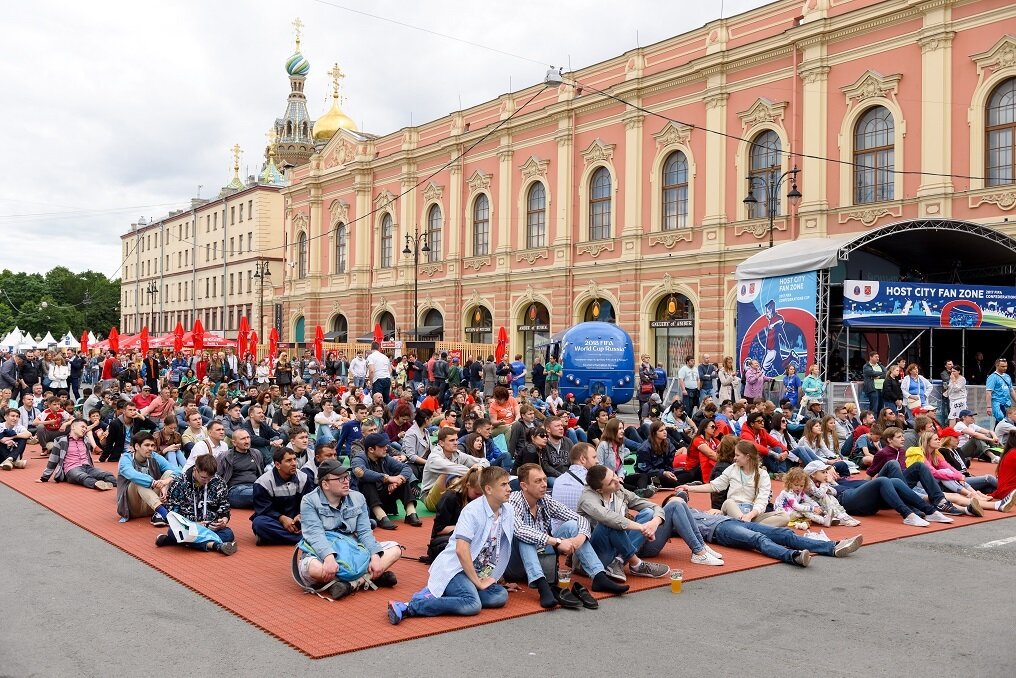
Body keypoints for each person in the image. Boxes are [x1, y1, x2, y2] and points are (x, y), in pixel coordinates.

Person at [388, 466, 517, 624]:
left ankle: (443, 594)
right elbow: (461, 551)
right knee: (472, 605)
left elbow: (499, 547)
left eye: (508, 484)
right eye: (504, 485)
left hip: (478, 572)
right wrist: (478, 582)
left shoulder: (508, 510)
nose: (509, 489)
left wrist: (494, 578)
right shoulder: (472, 512)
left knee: (500, 596)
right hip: (457, 569)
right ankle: (410, 606)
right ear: (489, 489)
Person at [505, 464, 628, 608]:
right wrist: (557, 542)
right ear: (524, 486)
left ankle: (599, 576)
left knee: (572, 526)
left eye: (544, 480)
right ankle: (542, 587)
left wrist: (579, 538)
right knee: (525, 537)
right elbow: (519, 530)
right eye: (538, 481)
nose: (544, 484)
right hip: (515, 565)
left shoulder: (545, 500)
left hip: (543, 555)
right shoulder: (514, 500)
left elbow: (579, 518)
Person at [295, 459, 402, 600]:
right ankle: (370, 577)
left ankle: (350, 584)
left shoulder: (358, 497)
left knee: (396, 549)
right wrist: (328, 557)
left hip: (353, 550)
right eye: (340, 479)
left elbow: (365, 532)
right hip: (322, 552)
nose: (346, 481)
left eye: (347, 477)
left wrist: (375, 556)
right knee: (312, 568)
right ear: (325, 484)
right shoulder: (309, 500)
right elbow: (315, 535)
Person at [687, 504, 863, 567]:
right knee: (758, 539)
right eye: (675, 499)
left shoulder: (694, 510)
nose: (681, 501)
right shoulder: (678, 518)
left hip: (734, 521)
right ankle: (792, 557)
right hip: (720, 531)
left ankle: (832, 547)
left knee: (784, 533)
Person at [679, 440, 788, 526]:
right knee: (729, 502)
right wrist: (689, 488)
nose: (734, 458)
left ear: (748, 457)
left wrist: (750, 515)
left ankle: (747, 527)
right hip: (732, 509)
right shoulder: (732, 469)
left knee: (784, 517)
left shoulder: (763, 474)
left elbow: (762, 500)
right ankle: (751, 527)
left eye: (737, 455)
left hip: (751, 513)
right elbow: (714, 486)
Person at [156, 454, 238, 555]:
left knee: (228, 534)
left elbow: (224, 508)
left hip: (211, 527)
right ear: (195, 469)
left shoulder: (219, 482)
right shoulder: (179, 483)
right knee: (174, 531)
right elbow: (173, 513)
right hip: (188, 527)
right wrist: (193, 524)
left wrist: (223, 521)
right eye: (204, 478)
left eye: (210, 478)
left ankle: (176, 541)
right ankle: (214, 545)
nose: (207, 481)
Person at [350, 432, 422, 528]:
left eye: (386, 445)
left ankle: (411, 513)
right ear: (371, 449)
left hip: (384, 497)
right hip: (367, 503)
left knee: (402, 479)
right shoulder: (358, 458)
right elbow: (363, 473)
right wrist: (387, 478)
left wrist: (399, 480)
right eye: (382, 446)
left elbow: (406, 468)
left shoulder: (385, 458)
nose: (386, 448)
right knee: (367, 482)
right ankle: (380, 516)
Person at [251, 447, 315, 545]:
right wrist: (282, 518)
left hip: (298, 519)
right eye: (289, 461)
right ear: (277, 465)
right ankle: (304, 538)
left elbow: (310, 502)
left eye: (295, 459)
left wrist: (301, 514)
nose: (294, 463)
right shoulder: (262, 483)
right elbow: (263, 510)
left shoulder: (304, 478)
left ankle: (272, 538)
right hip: (276, 520)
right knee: (259, 523)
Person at [115, 432, 181, 526]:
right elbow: (132, 474)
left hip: (151, 505)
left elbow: (178, 472)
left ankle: (160, 513)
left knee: (169, 473)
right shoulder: (126, 458)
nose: (151, 448)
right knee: (138, 481)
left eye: (152, 445)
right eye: (147, 445)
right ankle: (165, 513)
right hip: (132, 507)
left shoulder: (154, 456)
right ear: (137, 446)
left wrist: (164, 483)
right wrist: (153, 483)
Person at [421, 427, 489, 511]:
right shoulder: (434, 457)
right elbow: (451, 468)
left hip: (449, 494)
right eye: (451, 440)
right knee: (447, 474)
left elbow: (484, 461)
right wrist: (472, 470)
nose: (456, 443)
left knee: (468, 473)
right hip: (431, 499)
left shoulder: (457, 454)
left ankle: (478, 501)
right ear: (441, 443)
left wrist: (480, 467)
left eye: (456, 440)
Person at [37, 418, 116, 489]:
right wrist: (44, 478)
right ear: (73, 427)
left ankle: (122, 485)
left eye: (85, 427)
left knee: (107, 474)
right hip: (71, 469)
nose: (84, 429)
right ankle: (97, 484)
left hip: (88, 467)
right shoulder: (61, 440)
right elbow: (53, 460)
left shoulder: (86, 440)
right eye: (82, 427)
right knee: (83, 477)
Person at [217, 429, 265, 508]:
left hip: (255, 486)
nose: (247, 441)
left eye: (248, 437)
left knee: (268, 492)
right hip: (235, 490)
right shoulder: (226, 456)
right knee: (260, 494)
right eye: (243, 439)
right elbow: (217, 476)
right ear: (234, 442)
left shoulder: (256, 453)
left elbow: (261, 473)